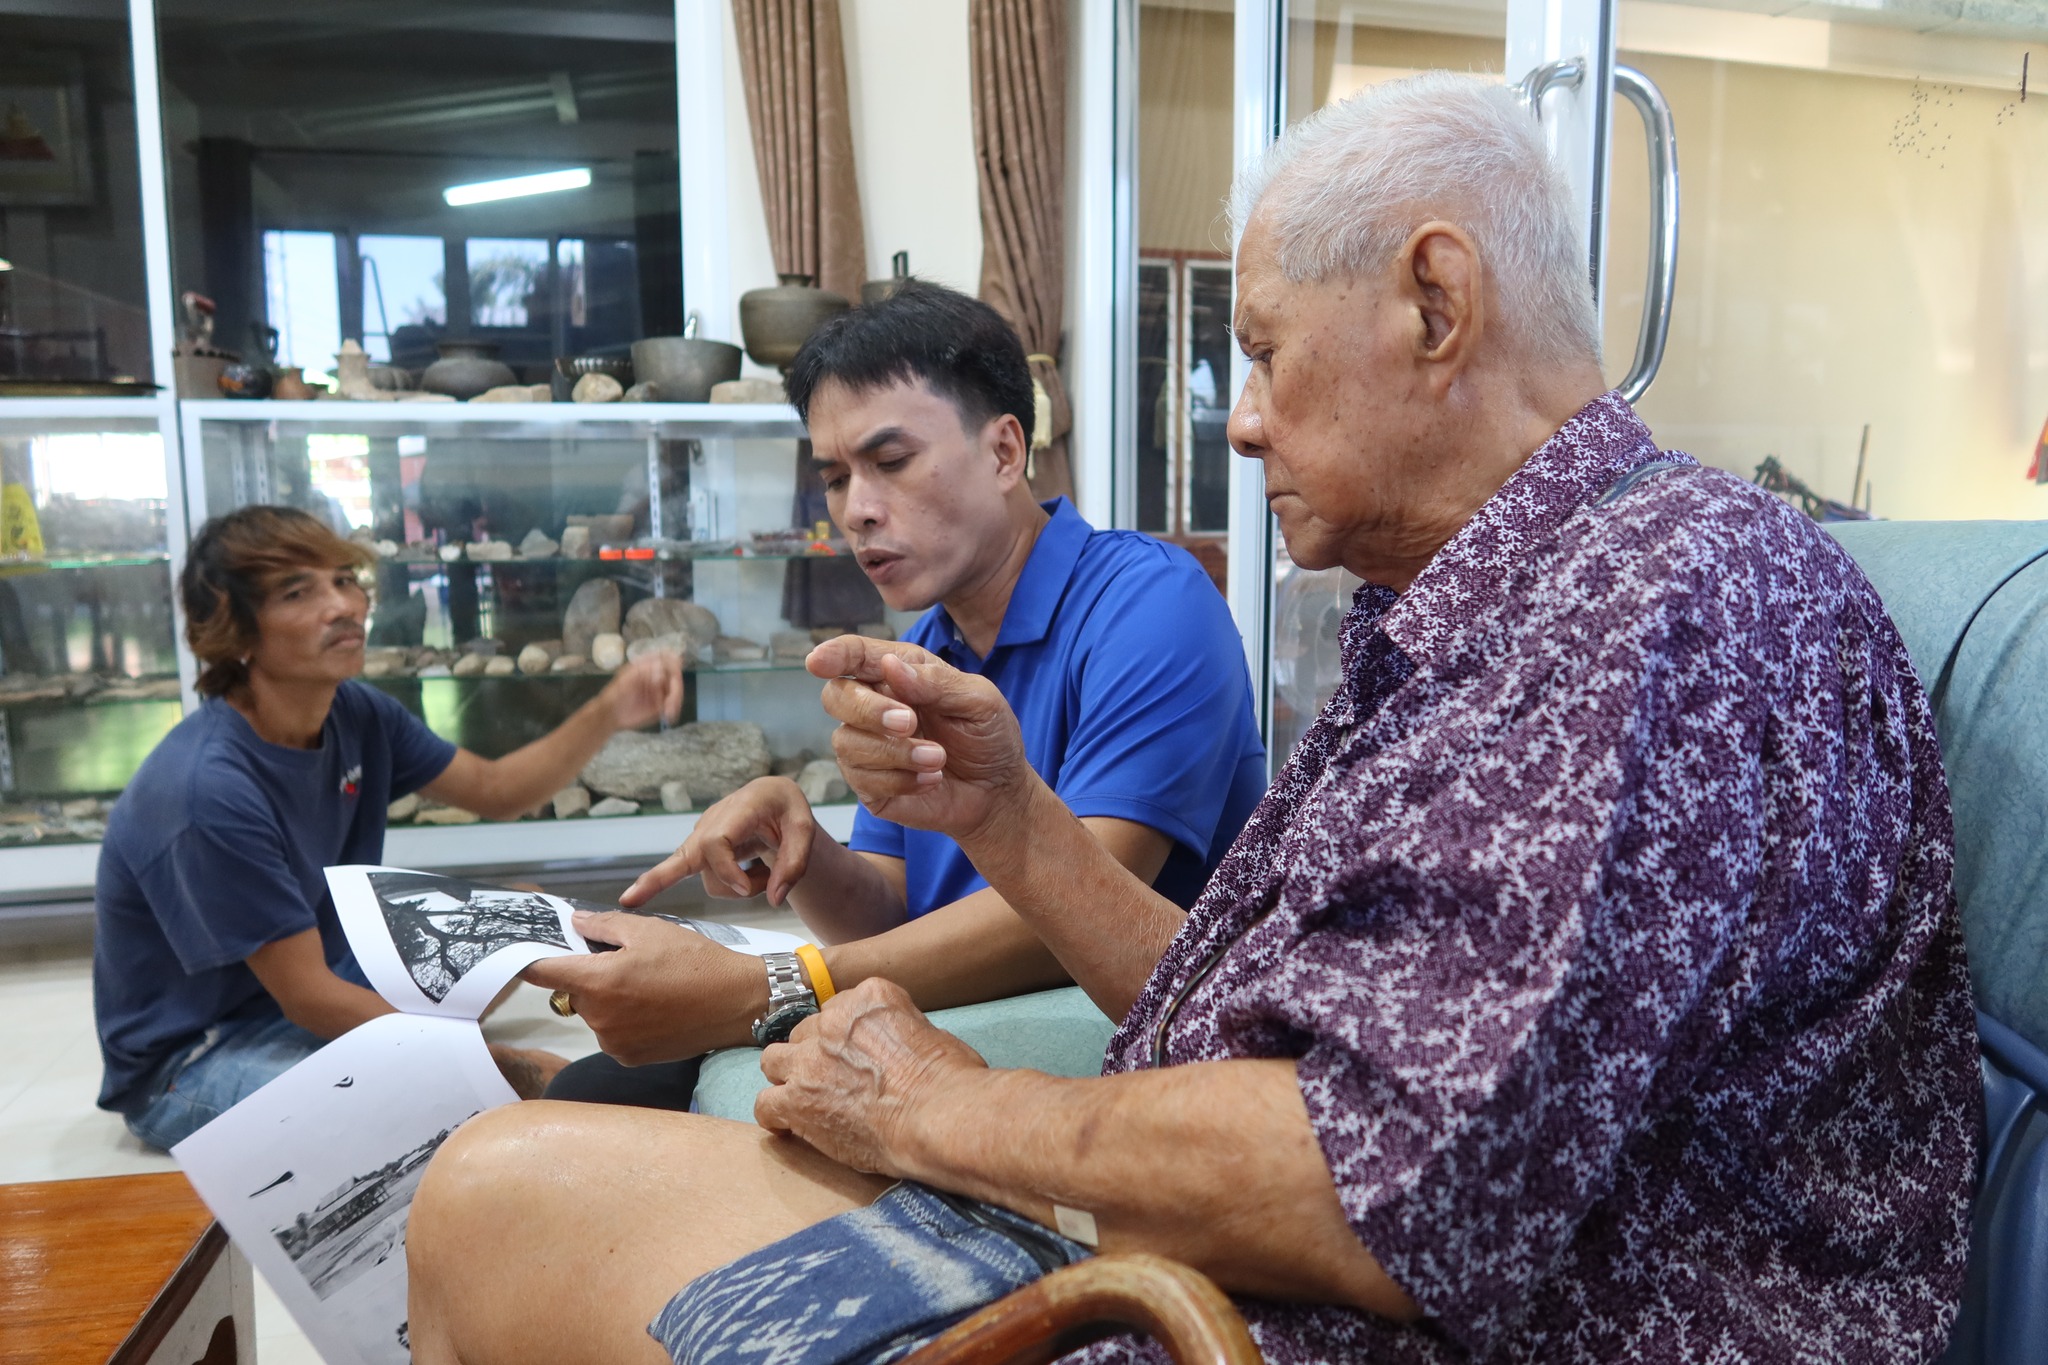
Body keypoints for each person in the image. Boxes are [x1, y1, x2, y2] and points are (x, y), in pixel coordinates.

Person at [404, 73, 1979, 1365]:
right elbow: (1272, 1024)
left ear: (1437, 304)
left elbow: (1371, 1190)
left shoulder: (1653, 606)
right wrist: (1009, 822)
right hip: (1249, 1275)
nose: (1242, 420)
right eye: (836, 478)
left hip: (1366, 1321)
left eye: (1268, 354)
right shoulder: (1493, 604)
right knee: (528, 1171)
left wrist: (938, 1103)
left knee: (494, 1200)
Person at [525, 280, 1266, 1108]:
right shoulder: (923, 648)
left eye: (890, 462)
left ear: (1004, 451)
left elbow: (1076, 914)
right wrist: (804, 850)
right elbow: (888, 913)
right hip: (959, 1018)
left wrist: (774, 983)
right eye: (835, 477)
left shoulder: (1150, 604)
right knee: (606, 1082)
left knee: (683, 1084)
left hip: (1121, 1040)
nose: (858, 510)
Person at [93, 505, 685, 1150]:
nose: (343, 606)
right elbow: (308, 998)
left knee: (522, 913)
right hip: (198, 1055)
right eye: (298, 592)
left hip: (325, 978)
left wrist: (608, 709)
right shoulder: (207, 789)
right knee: (473, 1102)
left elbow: (497, 791)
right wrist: (493, 1064)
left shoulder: (355, 712)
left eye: (345, 579)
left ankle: (422, 1044)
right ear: (234, 628)